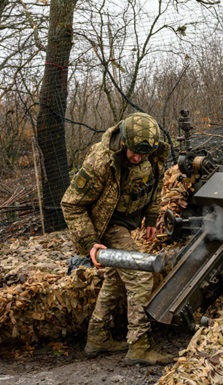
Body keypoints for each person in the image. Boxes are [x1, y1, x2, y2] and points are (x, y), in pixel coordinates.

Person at [61, 112, 173, 365]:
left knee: (115, 278)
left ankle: (98, 337)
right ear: (123, 142)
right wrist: (89, 243)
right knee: (141, 274)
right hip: (106, 224)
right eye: (134, 153)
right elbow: (71, 205)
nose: (138, 158)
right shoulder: (99, 162)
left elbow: (155, 184)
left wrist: (152, 216)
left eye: (144, 154)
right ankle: (139, 346)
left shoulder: (154, 150)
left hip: (128, 219)